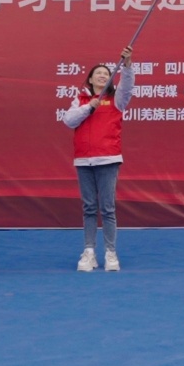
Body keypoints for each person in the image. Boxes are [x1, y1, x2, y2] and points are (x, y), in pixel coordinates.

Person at [63, 46, 135, 272]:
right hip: (84, 161)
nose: (103, 75)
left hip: (108, 159)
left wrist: (127, 65)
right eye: (98, 73)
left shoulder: (116, 100)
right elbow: (69, 120)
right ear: (91, 79)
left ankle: (111, 253)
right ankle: (89, 252)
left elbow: (127, 86)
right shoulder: (81, 100)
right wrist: (88, 107)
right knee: (89, 208)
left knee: (108, 208)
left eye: (106, 73)